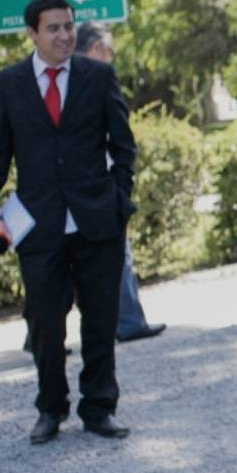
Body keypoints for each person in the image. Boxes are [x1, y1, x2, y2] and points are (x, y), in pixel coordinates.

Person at [0, 0, 138, 444]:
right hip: (39, 225)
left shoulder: (98, 76)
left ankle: (99, 407)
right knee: (45, 323)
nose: (65, 35)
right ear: (32, 33)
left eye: (69, 26)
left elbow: (124, 146)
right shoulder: (7, 84)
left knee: (100, 320)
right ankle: (51, 408)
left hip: (97, 220)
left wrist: (120, 200)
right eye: (54, 28)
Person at [74, 22, 167, 343]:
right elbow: (117, 137)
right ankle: (127, 321)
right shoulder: (95, 80)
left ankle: (41, 328)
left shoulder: (63, 79)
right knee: (115, 252)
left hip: (80, 183)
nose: (111, 57)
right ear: (97, 49)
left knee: (72, 257)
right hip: (98, 182)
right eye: (109, 50)